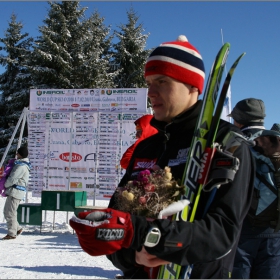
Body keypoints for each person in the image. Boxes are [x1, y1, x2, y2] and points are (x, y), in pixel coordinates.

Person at [70, 35, 255, 279]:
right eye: (148, 82)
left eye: (161, 81)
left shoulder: (228, 143)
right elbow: (120, 222)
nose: (151, 92)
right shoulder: (146, 148)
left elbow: (222, 234)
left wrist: (143, 235)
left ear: (193, 87)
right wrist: (127, 252)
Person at [229, 98, 280, 279]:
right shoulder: (277, 141)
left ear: (238, 120)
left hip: (242, 231)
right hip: (275, 233)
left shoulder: (233, 142)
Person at [2, 146, 31, 240]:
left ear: (21, 154)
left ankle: (12, 233)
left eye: (18, 153)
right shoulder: (21, 164)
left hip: (15, 192)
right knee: (8, 212)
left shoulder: (21, 166)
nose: (16, 155)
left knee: (9, 212)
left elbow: (13, 178)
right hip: (15, 192)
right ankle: (17, 229)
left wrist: (5, 185)